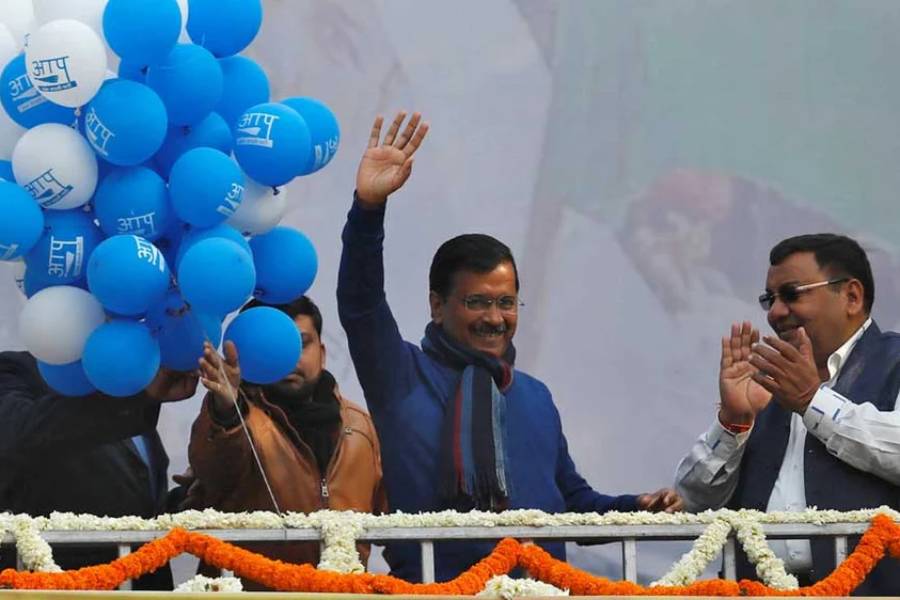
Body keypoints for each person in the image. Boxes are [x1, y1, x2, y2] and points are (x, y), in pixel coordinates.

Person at [337, 111, 683, 583]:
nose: (495, 318)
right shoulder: (401, 376)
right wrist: (368, 209)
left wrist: (637, 507)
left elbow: (572, 505)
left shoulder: (535, 396)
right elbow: (360, 304)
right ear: (437, 306)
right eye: (477, 302)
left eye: (506, 302)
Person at [675, 233, 900, 594]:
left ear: (852, 297)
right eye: (769, 299)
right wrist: (733, 422)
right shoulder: (766, 382)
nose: (776, 312)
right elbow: (692, 501)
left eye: (792, 294)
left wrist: (813, 402)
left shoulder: (894, 362)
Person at [184, 296, 386, 580]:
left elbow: (390, 517)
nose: (292, 357)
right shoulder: (235, 419)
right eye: (275, 346)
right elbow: (217, 469)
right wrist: (226, 410)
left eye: (303, 344)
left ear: (323, 352)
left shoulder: (359, 424)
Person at [0, 352, 198, 590]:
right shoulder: (18, 370)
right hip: (65, 586)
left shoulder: (130, 399)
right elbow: (18, 435)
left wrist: (189, 496)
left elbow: (135, 508)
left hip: (142, 584)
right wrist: (135, 396)